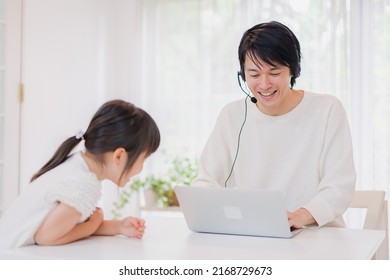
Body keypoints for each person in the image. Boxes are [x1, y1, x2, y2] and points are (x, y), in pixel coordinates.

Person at [191, 21, 356, 229]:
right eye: (254, 74)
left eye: (274, 73)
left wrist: (300, 216)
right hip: (256, 235)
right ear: (242, 75)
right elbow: (207, 180)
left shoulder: (327, 109)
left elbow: (340, 184)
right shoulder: (232, 115)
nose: (264, 84)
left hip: (316, 236)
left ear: (292, 70)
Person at [0, 99, 160, 250]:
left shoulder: (77, 166)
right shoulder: (83, 184)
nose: (141, 169)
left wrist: (118, 227)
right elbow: (47, 237)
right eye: (144, 159)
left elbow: (66, 226)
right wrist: (91, 225)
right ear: (119, 156)